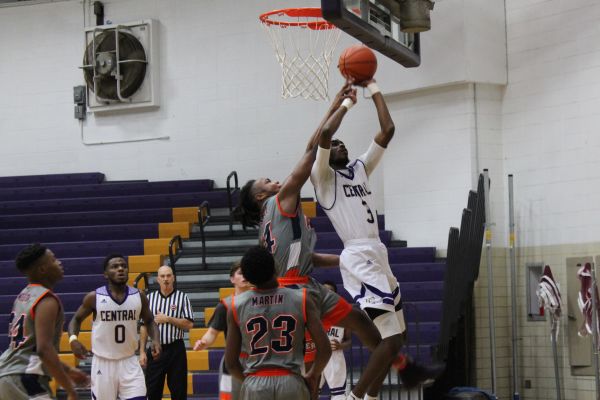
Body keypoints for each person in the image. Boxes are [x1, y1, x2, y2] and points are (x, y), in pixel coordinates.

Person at [233, 82, 399, 399]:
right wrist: (342, 107)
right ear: (260, 194)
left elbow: (309, 255)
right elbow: (312, 152)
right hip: (291, 291)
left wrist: (347, 258)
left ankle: (368, 395)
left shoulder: (279, 211)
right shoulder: (282, 201)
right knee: (309, 373)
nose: (274, 179)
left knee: (369, 330)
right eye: (267, 180)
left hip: (308, 283)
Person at [310, 79, 444, 399]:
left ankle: (387, 385)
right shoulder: (323, 179)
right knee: (390, 339)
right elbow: (325, 135)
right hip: (358, 255)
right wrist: (345, 104)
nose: (342, 146)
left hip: (377, 252)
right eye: (337, 145)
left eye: (345, 144)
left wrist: (373, 87)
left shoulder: (358, 168)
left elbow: (388, 130)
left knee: (398, 336)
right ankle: (356, 397)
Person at [225, 246, 331, 400]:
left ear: (248, 277)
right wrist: (312, 375)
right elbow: (325, 349)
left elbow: (231, 363)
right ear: (276, 267)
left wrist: (248, 381)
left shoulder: (236, 305)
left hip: (255, 383)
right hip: (291, 382)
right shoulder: (301, 299)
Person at [0, 244, 89, 400]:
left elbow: (30, 350)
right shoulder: (46, 300)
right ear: (42, 270)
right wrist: (70, 389)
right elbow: (44, 350)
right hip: (25, 379)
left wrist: (67, 370)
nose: (59, 262)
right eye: (54, 260)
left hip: (9, 375)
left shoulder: (24, 295)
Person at [68, 254, 161, 400]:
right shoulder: (95, 297)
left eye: (123, 266)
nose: (120, 269)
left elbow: (149, 321)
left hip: (129, 361)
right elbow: (76, 319)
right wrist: (73, 339)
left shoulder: (139, 296)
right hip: (103, 363)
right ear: (105, 274)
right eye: (115, 267)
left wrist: (156, 340)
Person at [193, 262, 251, 400]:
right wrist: (203, 342)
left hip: (257, 360)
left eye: (248, 273)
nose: (245, 276)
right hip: (233, 360)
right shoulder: (224, 305)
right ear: (232, 279)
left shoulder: (261, 300)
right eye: (240, 273)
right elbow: (212, 333)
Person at [139, 265, 194, 400]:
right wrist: (141, 351)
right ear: (157, 279)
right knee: (152, 392)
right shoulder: (149, 298)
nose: (166, 279)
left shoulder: (182, 297)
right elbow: (144, 326)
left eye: (168, 275)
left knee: (179, 392)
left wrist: (168, 319)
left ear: (173, 278)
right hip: (155, 350)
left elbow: (189, 324)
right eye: (162, 276)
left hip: (176, 349)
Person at [320, 281, 351, 400]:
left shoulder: (343, 314)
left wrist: (340, 346)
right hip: (315, 355)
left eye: (330, 291)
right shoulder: (313, 312)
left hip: (334, 355)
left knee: (338, 395)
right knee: (310, 392)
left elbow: (349, 341)